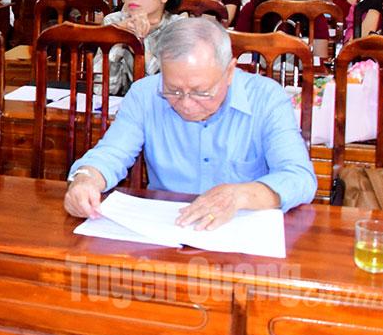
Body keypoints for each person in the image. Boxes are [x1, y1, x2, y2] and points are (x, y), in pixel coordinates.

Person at [65, 18, 317, 228]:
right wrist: (86, 179)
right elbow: (111, 153)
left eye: (200, 92)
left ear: (229, 72)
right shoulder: (145, 94)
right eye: (173, 90)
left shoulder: (266, 98)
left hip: (240, 233)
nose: (186, 103)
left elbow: (299, 177)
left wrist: (240, 195)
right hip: (164, 229)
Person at [95, 0, 186, 95]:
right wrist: (118, 39)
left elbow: (171, 90)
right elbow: (101, 90)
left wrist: (139, 46)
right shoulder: (114, 22)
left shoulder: (178, 29)